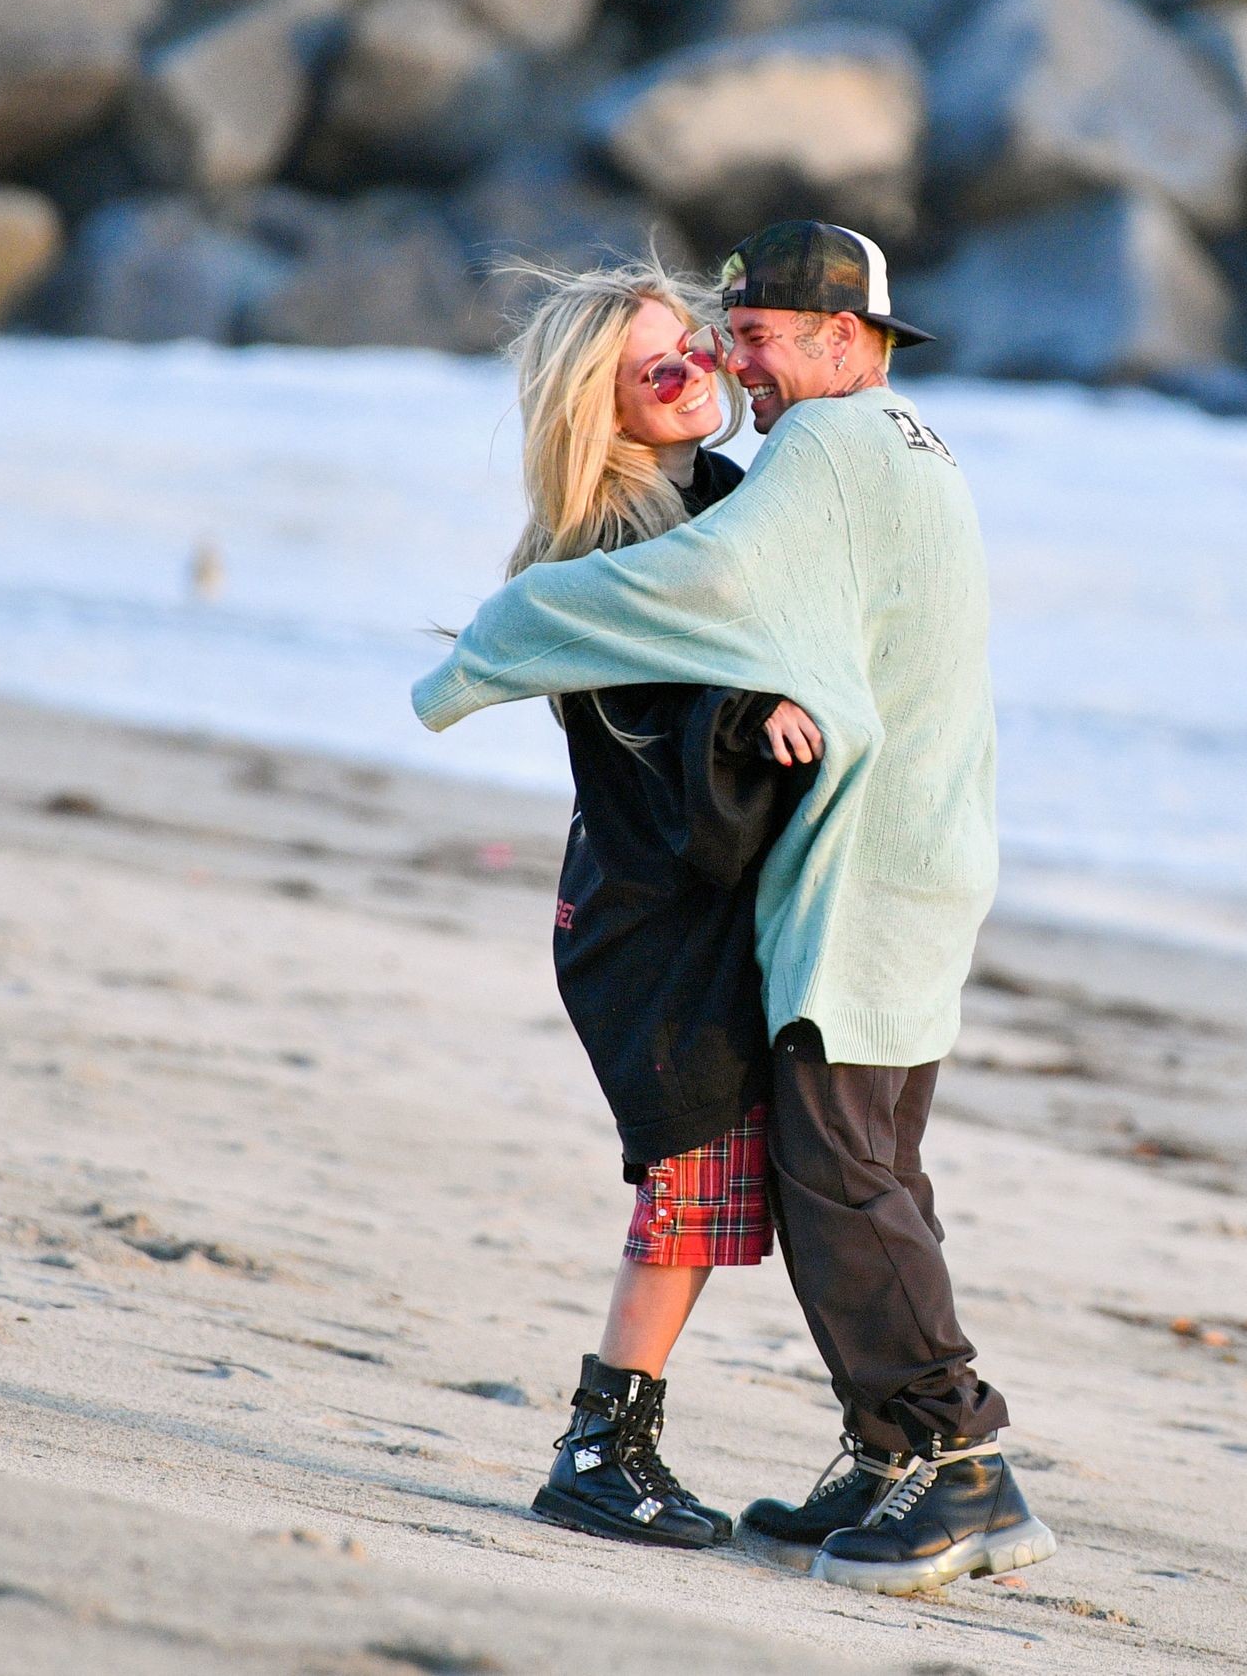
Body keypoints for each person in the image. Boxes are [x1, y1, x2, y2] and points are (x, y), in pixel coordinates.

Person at [413, 222, 1054, 1596]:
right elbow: (698, 674)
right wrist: (742, 709)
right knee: (741, 1182)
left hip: (822, 881)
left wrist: (501, 647)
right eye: (684, 355)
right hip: (673, 912)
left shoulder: (795, 461)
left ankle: (937, 1458)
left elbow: (747, 601)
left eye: (725, 341)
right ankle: (744, 1447)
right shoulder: (704, 502)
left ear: (844, 341)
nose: (714, 365)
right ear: (596, 406)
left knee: (834, 1178)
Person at [484, 260, 825, 1553]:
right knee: (688, 1180)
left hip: (699, 903)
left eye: (692, 343)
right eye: (652, 367)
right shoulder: (608, 552)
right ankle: (598, 1450)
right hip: (643, 918)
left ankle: (629, 1440)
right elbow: (662, 718)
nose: (688, 372)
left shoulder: (721, 497)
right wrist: (750, 716)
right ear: (602, 407)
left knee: (716, 1183)